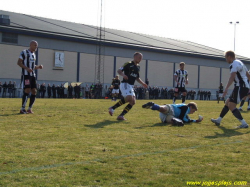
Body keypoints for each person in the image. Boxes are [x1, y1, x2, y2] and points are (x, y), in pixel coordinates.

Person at [211, 51, 250, 128]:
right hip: (242, 86)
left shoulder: (233, 64)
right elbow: (248, 75)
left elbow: (232, 77)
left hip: (240, 87)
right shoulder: (240, 62)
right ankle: (218, 120)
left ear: (229, 57)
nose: (226, 60)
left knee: (231, 105)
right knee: (227, 102)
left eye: (226, 58)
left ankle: (244, 124)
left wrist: (226, 89)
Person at [108, 52, 148, 120]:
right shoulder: (128, 64)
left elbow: (137, 78)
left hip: (131, 86)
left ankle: (121, 115)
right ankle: (112, 108)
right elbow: (119, 71)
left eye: (141, 58)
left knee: (133, 102)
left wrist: (143, 83)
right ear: (135, 57)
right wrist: (123, 75)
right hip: (125, 84)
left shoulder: (138, 67)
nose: (140, 59)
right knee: (129, 98)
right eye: (139, 57)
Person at [17, 40, 43, 114]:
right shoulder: (24, 52)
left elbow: (32, 66)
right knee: (27, 90)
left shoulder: (34, 54)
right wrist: (26, 68)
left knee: (34, 91)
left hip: (32, 75)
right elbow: (19, 62)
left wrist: (38, 67)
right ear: (31, 45)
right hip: (26, 75)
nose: (36, 47)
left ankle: (29, 108)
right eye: (35, 45)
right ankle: (22, 108)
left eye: (37, 46)